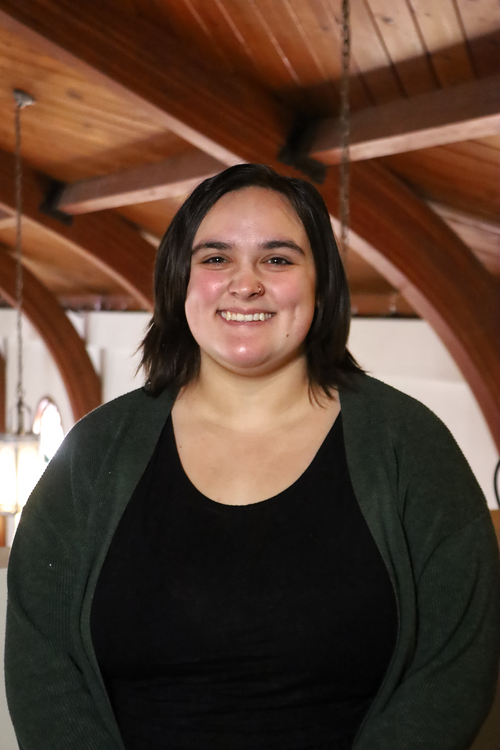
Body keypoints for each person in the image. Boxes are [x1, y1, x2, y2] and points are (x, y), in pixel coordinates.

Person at [5, 164, 499, 750]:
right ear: (180, 281)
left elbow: (452, 667)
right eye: (216, 258)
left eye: (278, 259)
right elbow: (44, 665)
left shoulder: (411, 447)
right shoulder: (92, 454)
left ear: (322, 285)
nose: (245, 284)